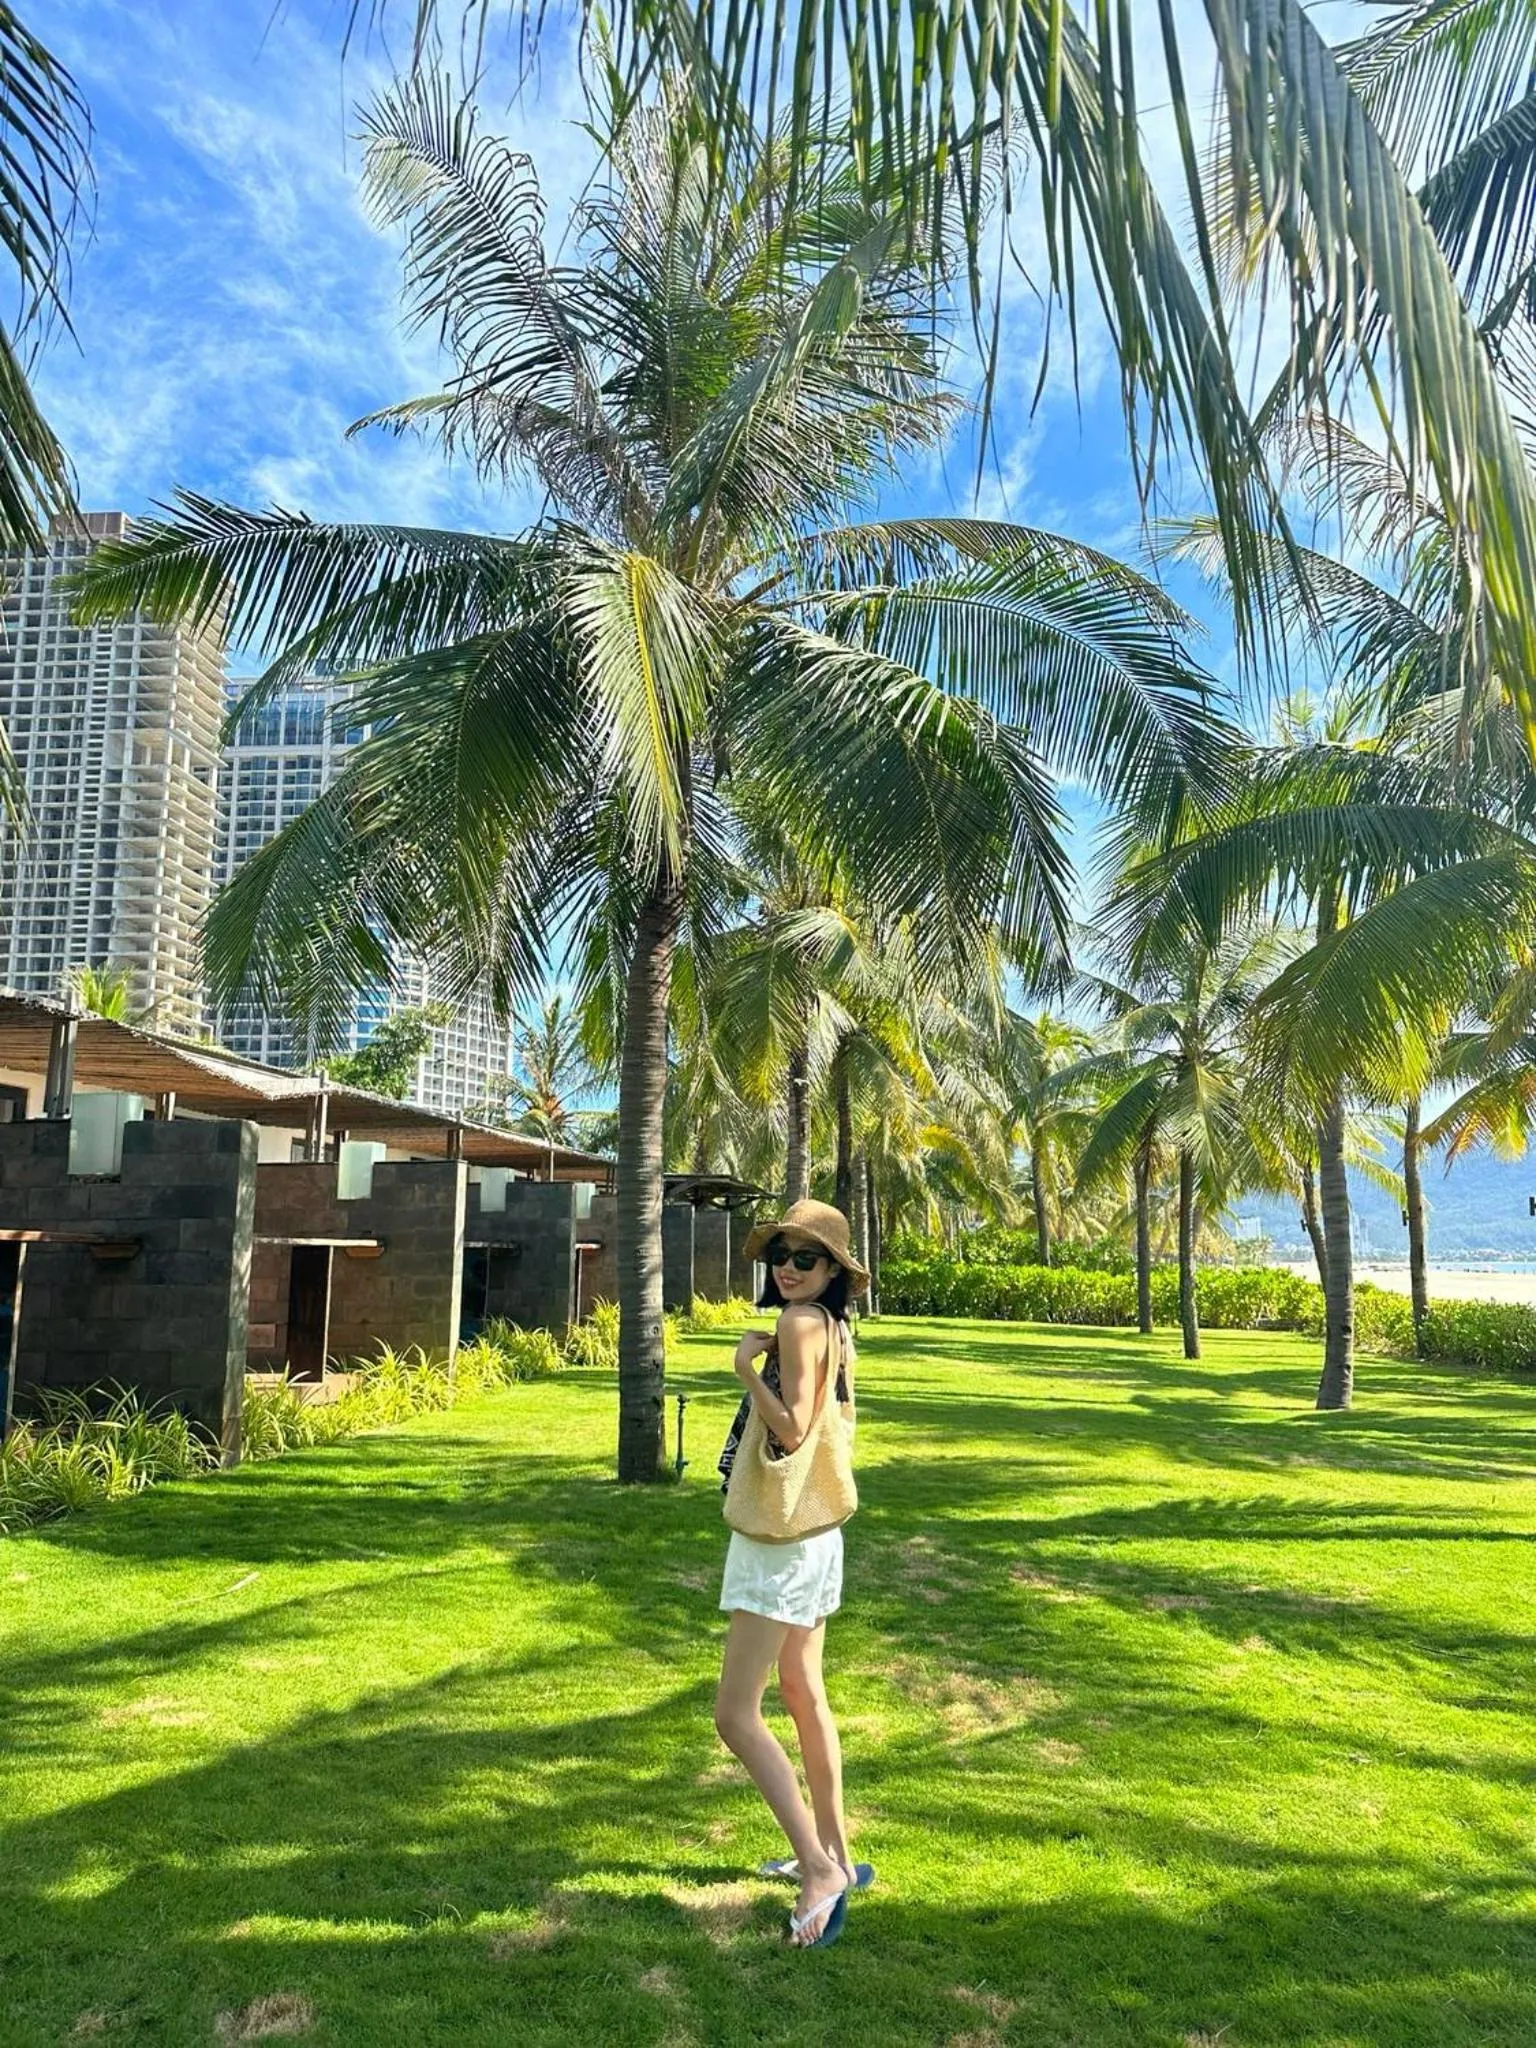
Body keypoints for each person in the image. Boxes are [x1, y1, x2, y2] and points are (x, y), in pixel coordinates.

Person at [714, 1198, 870, 1950]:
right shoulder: (835, 1327)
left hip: (780, 1540)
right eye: (779, 1252)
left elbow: (794, 1426)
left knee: (735, 1714)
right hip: (816, 1534)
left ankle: (818, 1867)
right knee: (804, 1693)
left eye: (805, 1258)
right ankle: (836, 1850)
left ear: (832, 1270)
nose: (786, 1266)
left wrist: (748, 1369)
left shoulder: (800, 1323)